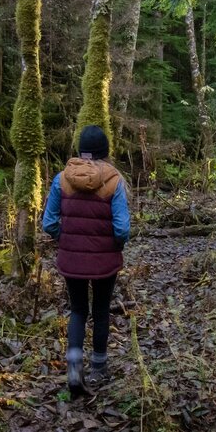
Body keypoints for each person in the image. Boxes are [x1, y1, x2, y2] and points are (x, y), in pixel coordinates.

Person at [42, 125, 130, 398]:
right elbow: (122, 229)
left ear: (81, 150)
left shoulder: (61, 179)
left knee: (78, 310)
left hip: (72, 258)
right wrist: (115, 245)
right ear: (105, 151)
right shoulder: (114, 181)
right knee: (101, 310)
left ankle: (74, 367)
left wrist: (65, 238)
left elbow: (48, 223)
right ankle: (99, 368)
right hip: (105, 260)